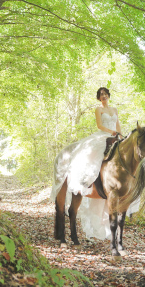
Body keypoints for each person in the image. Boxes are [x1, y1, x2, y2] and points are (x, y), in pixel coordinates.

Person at [51, 87, 124, 239]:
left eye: (105, 94)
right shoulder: (98, 110)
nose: (103, 96)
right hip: (103, 135)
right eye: (101, 95)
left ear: (109, 96)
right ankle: (87, 177)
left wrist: (120, 135)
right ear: (99, 98)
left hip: (115, 135)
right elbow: (99, 126)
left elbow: (118, 126)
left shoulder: (115, 109)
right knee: (93, 151)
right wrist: (110, 133)